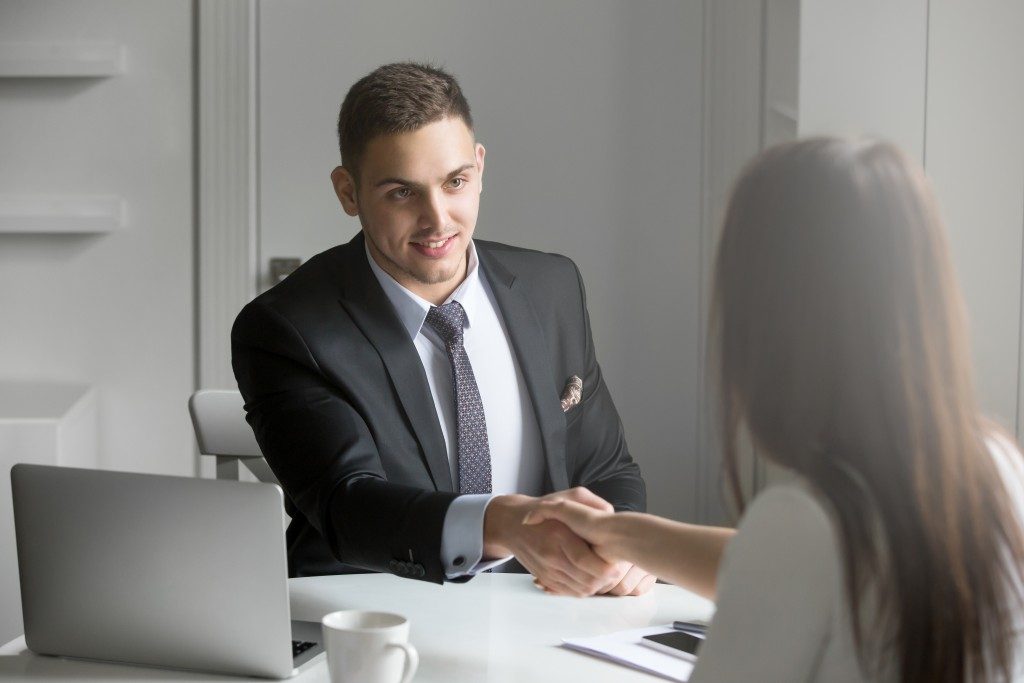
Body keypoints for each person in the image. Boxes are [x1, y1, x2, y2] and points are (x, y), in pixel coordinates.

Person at [525, 138, 1024, 681]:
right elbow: (777, 564)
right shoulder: (997, 464)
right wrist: (623, 535)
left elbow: (789, 557)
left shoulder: (805, 524)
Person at [231, 62, 653, 597]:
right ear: (348, 192)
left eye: (455, 182)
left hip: (542, 612)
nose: (438, 220)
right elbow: (348, 504)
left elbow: (607, 468)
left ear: (479, 167)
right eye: (402, 194)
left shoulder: (554, 286)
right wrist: (502, 523)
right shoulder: (286, 329)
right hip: (373, 620)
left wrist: (621, 545)